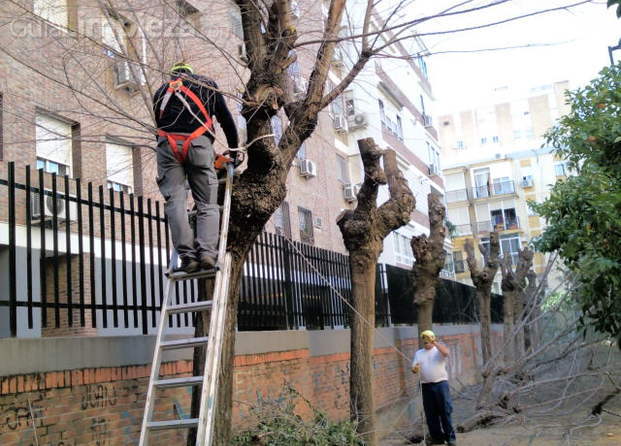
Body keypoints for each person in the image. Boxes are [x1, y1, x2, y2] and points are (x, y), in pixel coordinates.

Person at [153, 62, 238, 273]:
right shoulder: (207, 85)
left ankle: (187, 257)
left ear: (174, 75)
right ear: (192, 73)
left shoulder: (160, 92)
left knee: (175, 202)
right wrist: (234, 151)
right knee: (207, 203)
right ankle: (207, 254)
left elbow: (160, 125)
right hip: (198, 144)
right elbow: (226, 120)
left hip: (167, 146)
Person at [411, 330, 457, 446]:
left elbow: (446, 353)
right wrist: (414, 369)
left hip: (441, 384)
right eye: (424, 341)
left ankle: (450, 438)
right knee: (430, 414)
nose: (426, 343)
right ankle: (437, 438)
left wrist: (435, 343)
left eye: (428, 340)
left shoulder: (438, 350)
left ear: (432, 339)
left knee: (445, 411)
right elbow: (414, 367)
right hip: (426, 385)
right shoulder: (419, 353)